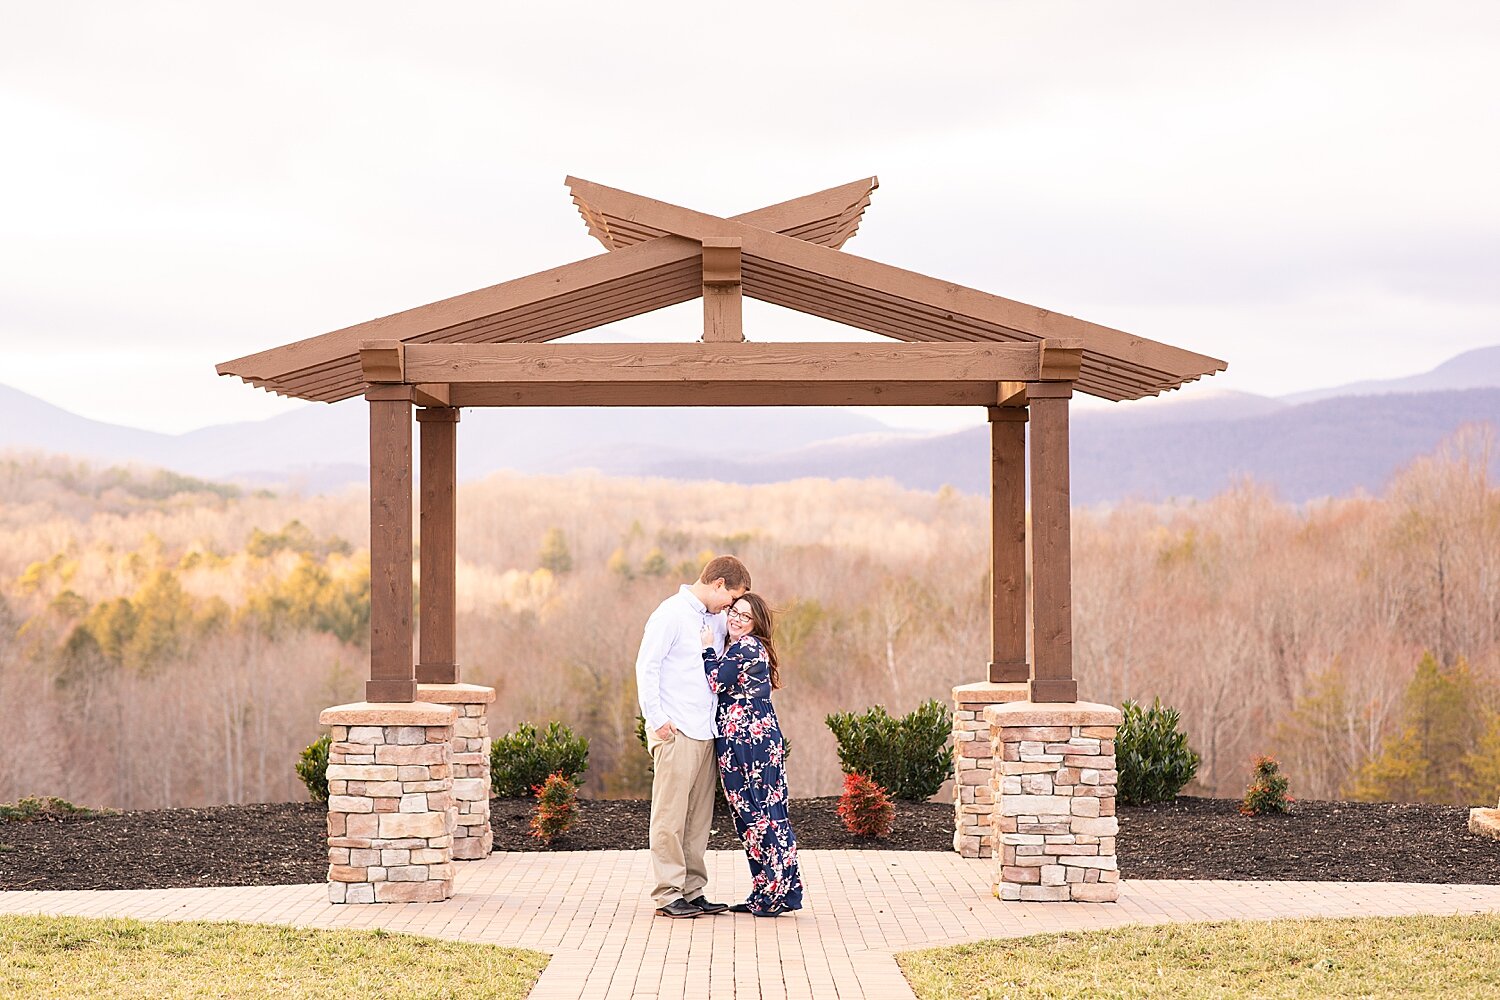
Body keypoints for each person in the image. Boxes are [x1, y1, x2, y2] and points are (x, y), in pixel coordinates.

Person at [635, 555, 751, 919]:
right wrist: (656, 719)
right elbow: (647, 666)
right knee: (670, 816)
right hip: (676, 729)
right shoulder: (670, 614)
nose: (730, 607)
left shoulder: (714, 619)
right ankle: (668, 893)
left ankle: (692, 889)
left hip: (707, 730)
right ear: (718, 584)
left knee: (699, 818)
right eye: (730, 598)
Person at [700, 591, 803, 917]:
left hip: (746, 742)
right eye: (734, 611)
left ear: (756, 623)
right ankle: (778, 891)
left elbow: (716, 681)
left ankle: (772, 894)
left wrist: (706, 648)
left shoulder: (745, 646)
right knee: (770, 814)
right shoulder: (749, 648)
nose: (736, 619)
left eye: (745, 616)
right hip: (758, 739)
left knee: (756, 816)